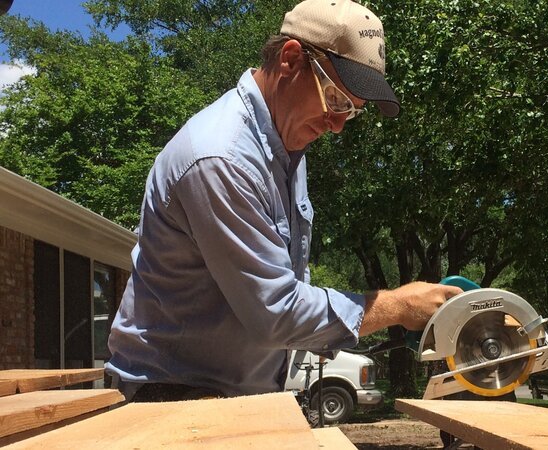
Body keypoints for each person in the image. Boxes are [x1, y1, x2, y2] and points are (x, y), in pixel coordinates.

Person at [105, 0, 462, 402]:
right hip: (170, 397)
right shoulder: (223, 159)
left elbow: (284, 287)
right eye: (336, 99)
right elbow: (275, 312)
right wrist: (397, 306)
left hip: (228, 394)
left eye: (352, 112)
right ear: (291, 60)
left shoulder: (286, 149)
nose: (338, 125)